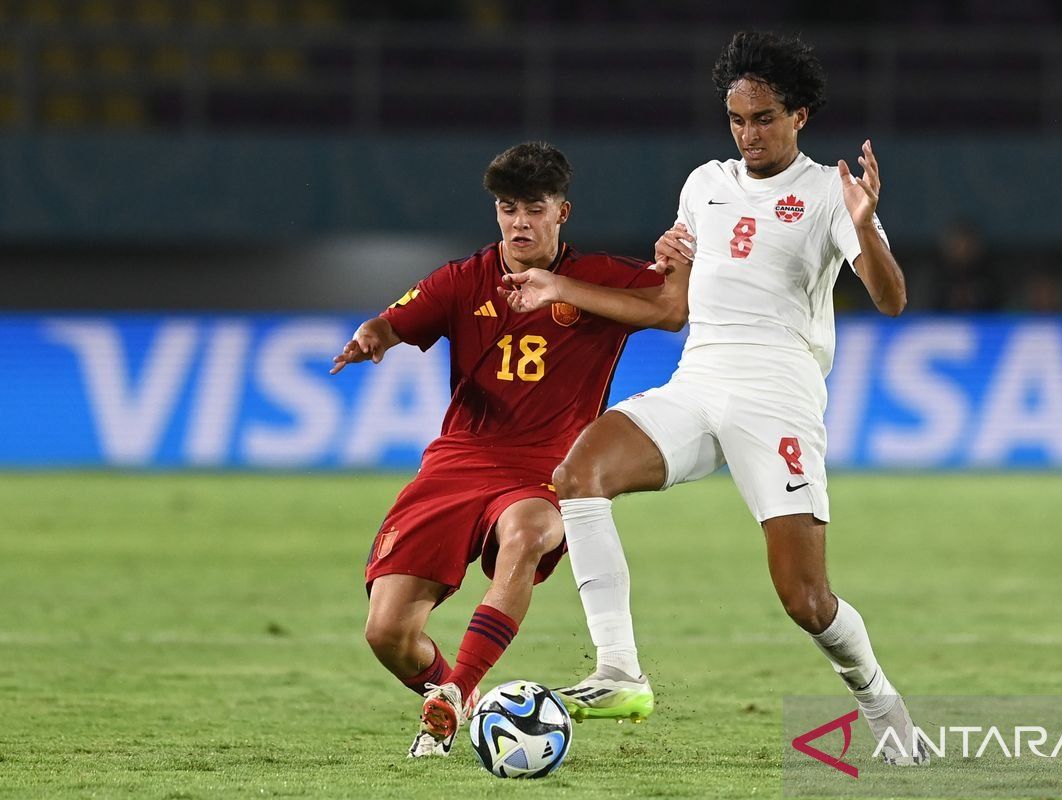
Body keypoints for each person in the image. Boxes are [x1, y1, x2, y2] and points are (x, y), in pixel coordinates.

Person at [499, 31, 928, 764]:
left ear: (800, 116)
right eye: (737, 118)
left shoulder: (831, 192)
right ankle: (620, 670)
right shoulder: (704, 184)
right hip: (699, 379)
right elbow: (679, 296)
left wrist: (864, 227)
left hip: (779, 395)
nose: (748, 133)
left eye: (763, 118)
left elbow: (891, 300)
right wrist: (670, 263)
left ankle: (882, 705)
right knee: (579, 474)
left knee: (806, 599)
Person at [331, 141, 670, 758]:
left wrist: (686, 256)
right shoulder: (462, 281)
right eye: (507, 208)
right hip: (455, 466)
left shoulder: (595, 281)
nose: (519, 222)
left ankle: (458, 694)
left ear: (561, 213)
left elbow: (675, 303)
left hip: (545, 472)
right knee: (387, 633)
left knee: (525, 534)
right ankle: (455, 698)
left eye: (533, 209)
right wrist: (370, 338)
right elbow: (393, 321)